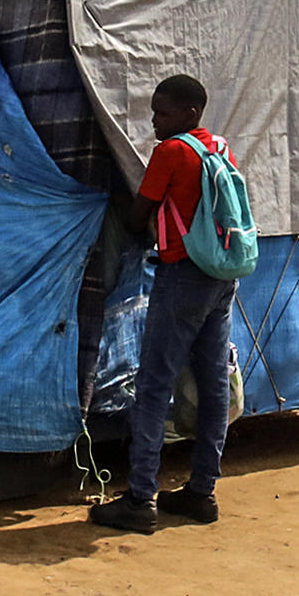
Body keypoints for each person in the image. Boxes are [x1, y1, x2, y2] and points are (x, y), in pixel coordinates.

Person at [90, 74, 237, 535]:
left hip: (181, 277)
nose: (155, 120)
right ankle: (202, 492)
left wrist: (117, 200)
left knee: (154, 385)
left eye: (163, 112)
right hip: (221, 276)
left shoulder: (171, 153)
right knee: (213, 385)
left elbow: (139, 218)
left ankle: (139, 499)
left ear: (190, 112)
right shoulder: (219, 147)